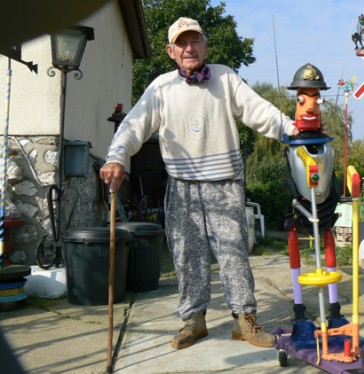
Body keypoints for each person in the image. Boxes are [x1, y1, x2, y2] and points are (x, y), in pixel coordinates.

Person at [99, 16, 299, 350]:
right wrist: (117, 156)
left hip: (225, 181)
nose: (189, 48)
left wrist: (292, 129)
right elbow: (133, 126)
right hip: (182, 183)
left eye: (195, 41)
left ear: (205, 45)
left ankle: (244, 320)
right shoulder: (161, 87)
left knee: (234, 252)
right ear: (171, 51)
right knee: (186, 255)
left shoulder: (225, 77)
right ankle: (195, 319)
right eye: (182, 43)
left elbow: (258, 110)